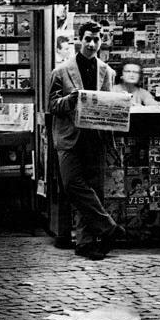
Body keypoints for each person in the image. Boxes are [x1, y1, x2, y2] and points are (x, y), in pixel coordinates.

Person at [49, 20, 123, 260]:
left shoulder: (108, 72)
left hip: (96, 137)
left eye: (96, 40)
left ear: (101, 42)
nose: (92, 44)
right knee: (72, 185)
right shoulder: (61, 71)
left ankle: (86, 243)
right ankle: (108, 228)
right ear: (79, 40)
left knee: (93, 190)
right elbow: (51, 105)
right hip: (70, 138)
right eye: (88, 39)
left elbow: (110, 106)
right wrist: (71, 100)